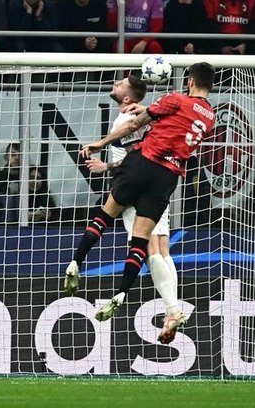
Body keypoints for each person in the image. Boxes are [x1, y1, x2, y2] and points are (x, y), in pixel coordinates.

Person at [64, 62, 216, 343]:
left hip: (142, 166)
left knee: (114, 223)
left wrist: (100, 146)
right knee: (155, 247)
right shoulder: (210, 118)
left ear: (191, 81)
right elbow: (172, 127)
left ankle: (76, 261)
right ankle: (164, 306)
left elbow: (137, 126)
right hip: (168, 178)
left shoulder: (174, 99)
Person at [74, 74, 184, 344]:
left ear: (126, 97)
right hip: (160, 180)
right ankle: (173, 309)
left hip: (136, 187)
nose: (115, 83)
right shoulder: (151, 116)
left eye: (120, 83)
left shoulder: (125, 120)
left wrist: (105, 165)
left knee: (149, 249)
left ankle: (173, 308)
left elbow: (133, 157)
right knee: (162, 247)